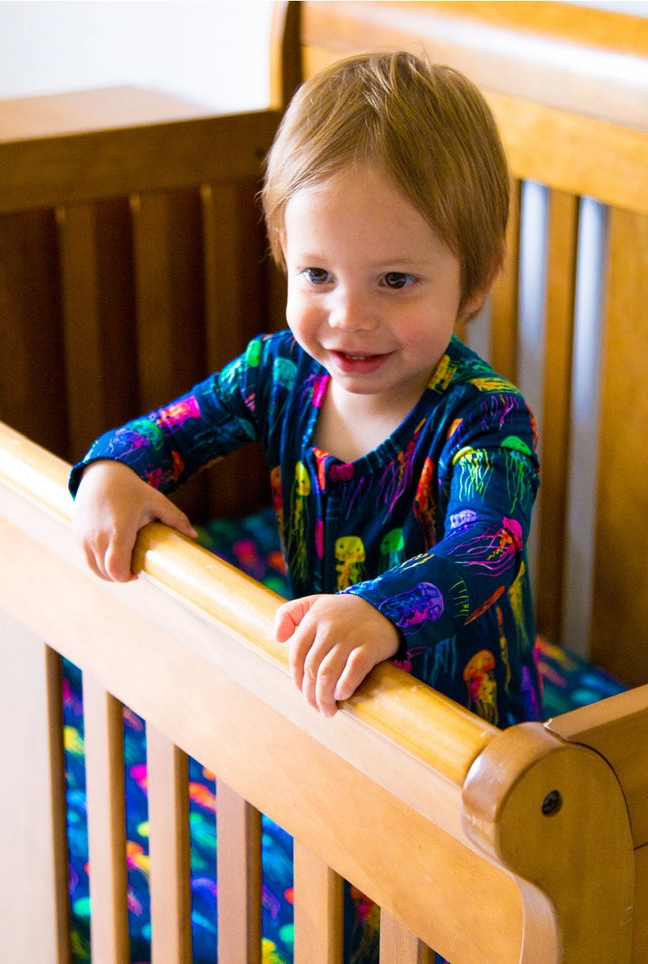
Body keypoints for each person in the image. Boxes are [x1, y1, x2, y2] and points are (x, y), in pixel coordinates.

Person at [71, 50, 541, 727]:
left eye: (395, 281)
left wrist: (381, 610)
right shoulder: (278, 374)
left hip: (467, 735)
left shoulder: (483, 420)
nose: (348, 316)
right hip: (336, 705)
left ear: (476, 278)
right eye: (317, 275)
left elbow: (485, 549)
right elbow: (168, 433)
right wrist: (110, 468)